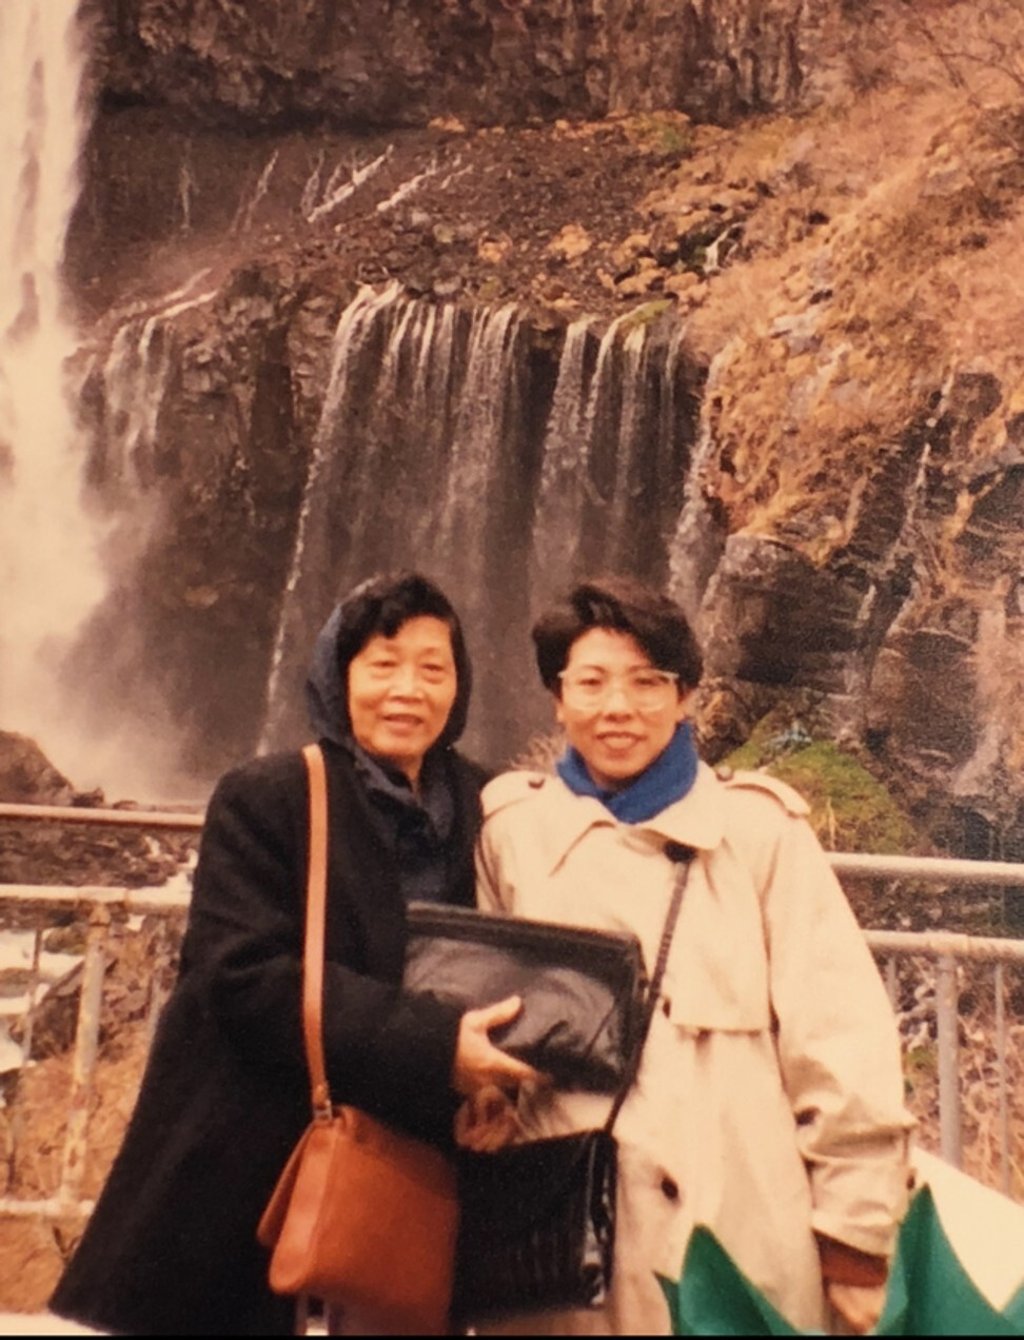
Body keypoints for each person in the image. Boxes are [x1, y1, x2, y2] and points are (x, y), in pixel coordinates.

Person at [50, 571, 535, 1337]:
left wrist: (492, 1087)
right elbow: (243, 979)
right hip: (253, 1173)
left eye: (432, 668)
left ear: (460, 685)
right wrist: (442, 1047)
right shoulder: (268, 797)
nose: (406, 689)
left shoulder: (493, 808)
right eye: (382, 665)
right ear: (337, 677)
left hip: (417, 1182)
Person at [468, 576, 915, 1336]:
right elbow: (488, 1014)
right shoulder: (512, 834)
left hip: (737, 1240)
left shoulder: (760, 835)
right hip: (570, 1258)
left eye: (648, 683)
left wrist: (857, 1236)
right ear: (557, 697)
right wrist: (483, 1100)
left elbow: (841, 1043)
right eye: (593, 683)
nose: (619, 708)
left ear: (684, 698)